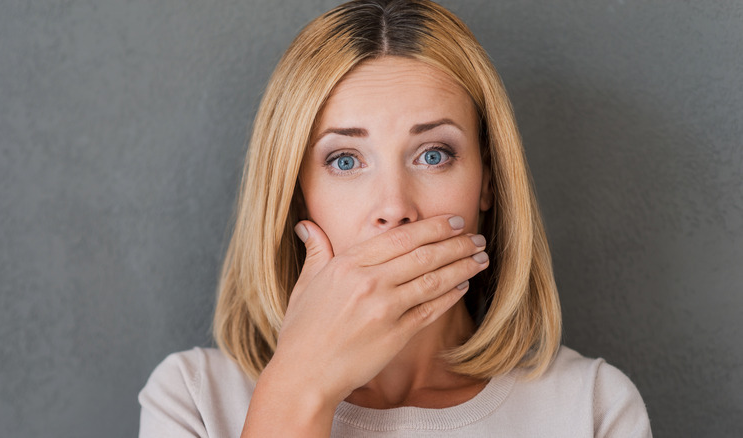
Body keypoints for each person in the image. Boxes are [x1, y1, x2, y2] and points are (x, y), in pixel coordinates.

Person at [138, 0, 652, 436]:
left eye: (433, 155)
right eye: (344, 161)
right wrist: (299, 386)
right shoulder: (195, 400)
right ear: (294, 197)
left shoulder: (590, 409)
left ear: (489, 182)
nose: (394, 209)